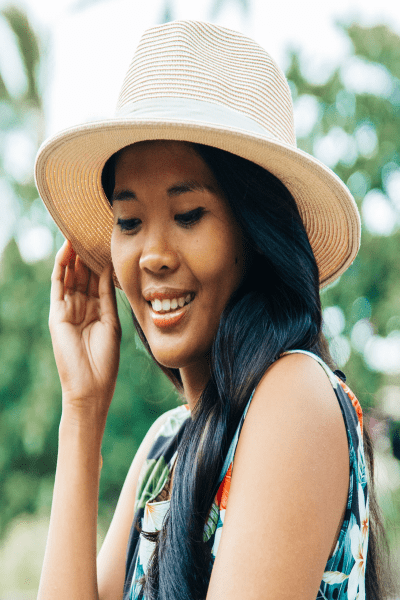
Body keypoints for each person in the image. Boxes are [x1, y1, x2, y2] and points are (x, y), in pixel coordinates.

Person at [35, 20, 390, 600]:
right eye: (128, 222)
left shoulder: (293, 396)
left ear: (254, 234)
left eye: (188, 214)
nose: (151, 255)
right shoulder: (164, 448)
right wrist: (81, 411)